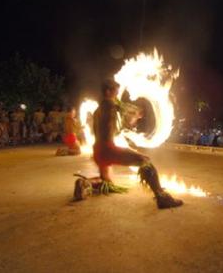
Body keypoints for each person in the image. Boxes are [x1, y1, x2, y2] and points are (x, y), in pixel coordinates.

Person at [73, 79, 183, 209]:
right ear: (108, 91)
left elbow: (114, 123)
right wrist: (135, 112)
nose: (116, 95)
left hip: (98, 150)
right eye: (115, 92)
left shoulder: (98, 110)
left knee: (106, 181)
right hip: (108, 149)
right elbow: (124, 111)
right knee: (145, 161)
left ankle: (85, 183)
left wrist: (130, 117)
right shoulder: (109, 104)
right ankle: (161, 197)